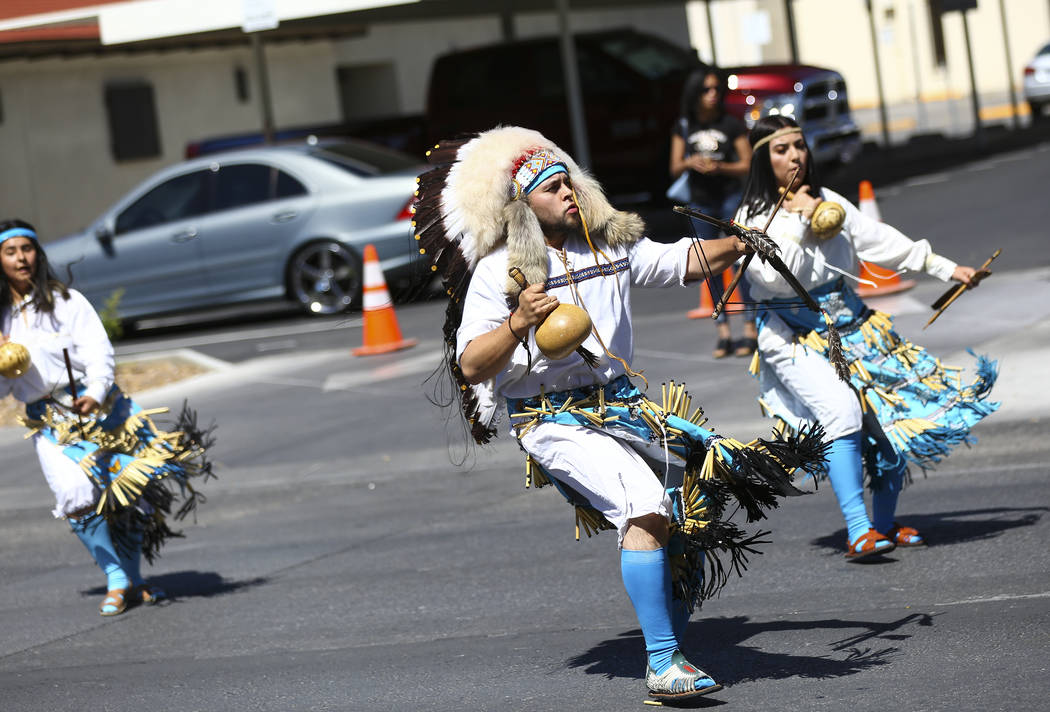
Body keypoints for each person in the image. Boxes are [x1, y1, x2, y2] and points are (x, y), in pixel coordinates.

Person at [414, 126, 828, 702]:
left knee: (688, 508)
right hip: (550, 419)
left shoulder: (609, 246)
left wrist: (739, 242)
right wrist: (517, 323)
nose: (567, 192)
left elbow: (680, 260)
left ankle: (673, 642)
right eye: (552, 187)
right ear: (523, 206)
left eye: (569, 183)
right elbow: (471, 366)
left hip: (623, 409)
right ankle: (663, 663)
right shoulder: (499, 273)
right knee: (642, 503)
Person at [734, 116, 999, 559]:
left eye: (799, 145)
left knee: (892, 429)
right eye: (781, 150)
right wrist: (801, 221)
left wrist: (948, 269)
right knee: (842, 412)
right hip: (792, 337)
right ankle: (857, 529)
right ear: (763, 159)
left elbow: (882, 242)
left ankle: (882, 524)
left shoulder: (829, 201)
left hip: (851, 328)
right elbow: (776, 279)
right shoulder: (753, 219)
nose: (795, 155)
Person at [0, 219, 214, 616]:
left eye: (26, 249)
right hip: (48, 424)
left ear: (37, 253)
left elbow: (99, 352)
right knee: (75, 495)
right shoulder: (2, 320)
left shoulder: (66, 302)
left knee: (127, 493)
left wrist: (95, 391)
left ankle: (132, 580)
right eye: (10, 252)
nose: (20, 258)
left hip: (101, 411)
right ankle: (115, 575)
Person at [669, 67, 757, 359]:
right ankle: (723, 332)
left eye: (716, 89)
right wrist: (692, 162)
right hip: (700, 201)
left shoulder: (730, 124)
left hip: (730, 196)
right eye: (706, 90)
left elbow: (747, 163)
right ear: (695, 94)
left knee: (741, 255)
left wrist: (721, 167)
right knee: (709, 265)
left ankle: (750, 328)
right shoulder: (684, 126)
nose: (713, 95)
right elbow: (674, 167)